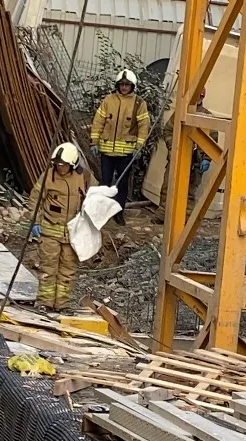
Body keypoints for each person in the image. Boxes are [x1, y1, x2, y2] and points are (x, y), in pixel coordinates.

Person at [29, 142, 89, 313]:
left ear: (73, 164)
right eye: (57, 164)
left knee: (68, 270)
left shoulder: (83, 177)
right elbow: (35, 198)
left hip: (72, 233)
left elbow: (91, 198)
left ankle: (63, 304)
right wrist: (35, 221)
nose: (60, 167)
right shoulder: (48, 176)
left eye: (63, 164)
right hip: (50, 230)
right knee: (48, 268)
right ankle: (44, 303)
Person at [90, 69, 150, 226]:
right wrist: (94, 141)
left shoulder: (139, 104)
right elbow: (98, 121)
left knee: (122, 184)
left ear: (133, 86)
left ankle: (118, 212)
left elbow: (144, 126)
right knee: (105, 182)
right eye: (122, 84)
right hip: (107, 151)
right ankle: (101, 213)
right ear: (118, 85)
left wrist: (139, 146)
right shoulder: (108, 100)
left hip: (126, 152)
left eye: (127, 85)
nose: (124, 87)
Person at [158, 88, 217, 218]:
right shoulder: (180, 113)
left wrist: (207, 158)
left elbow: (212, 139)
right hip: (177, 157)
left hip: (196, 161)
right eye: (197, 96)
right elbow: (168, 130)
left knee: (190, 192)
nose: (199, 99)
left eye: (201, 96)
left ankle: (186, 217)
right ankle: (162, 215)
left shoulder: (207, 116)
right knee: (167, 187)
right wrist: (173, 146)